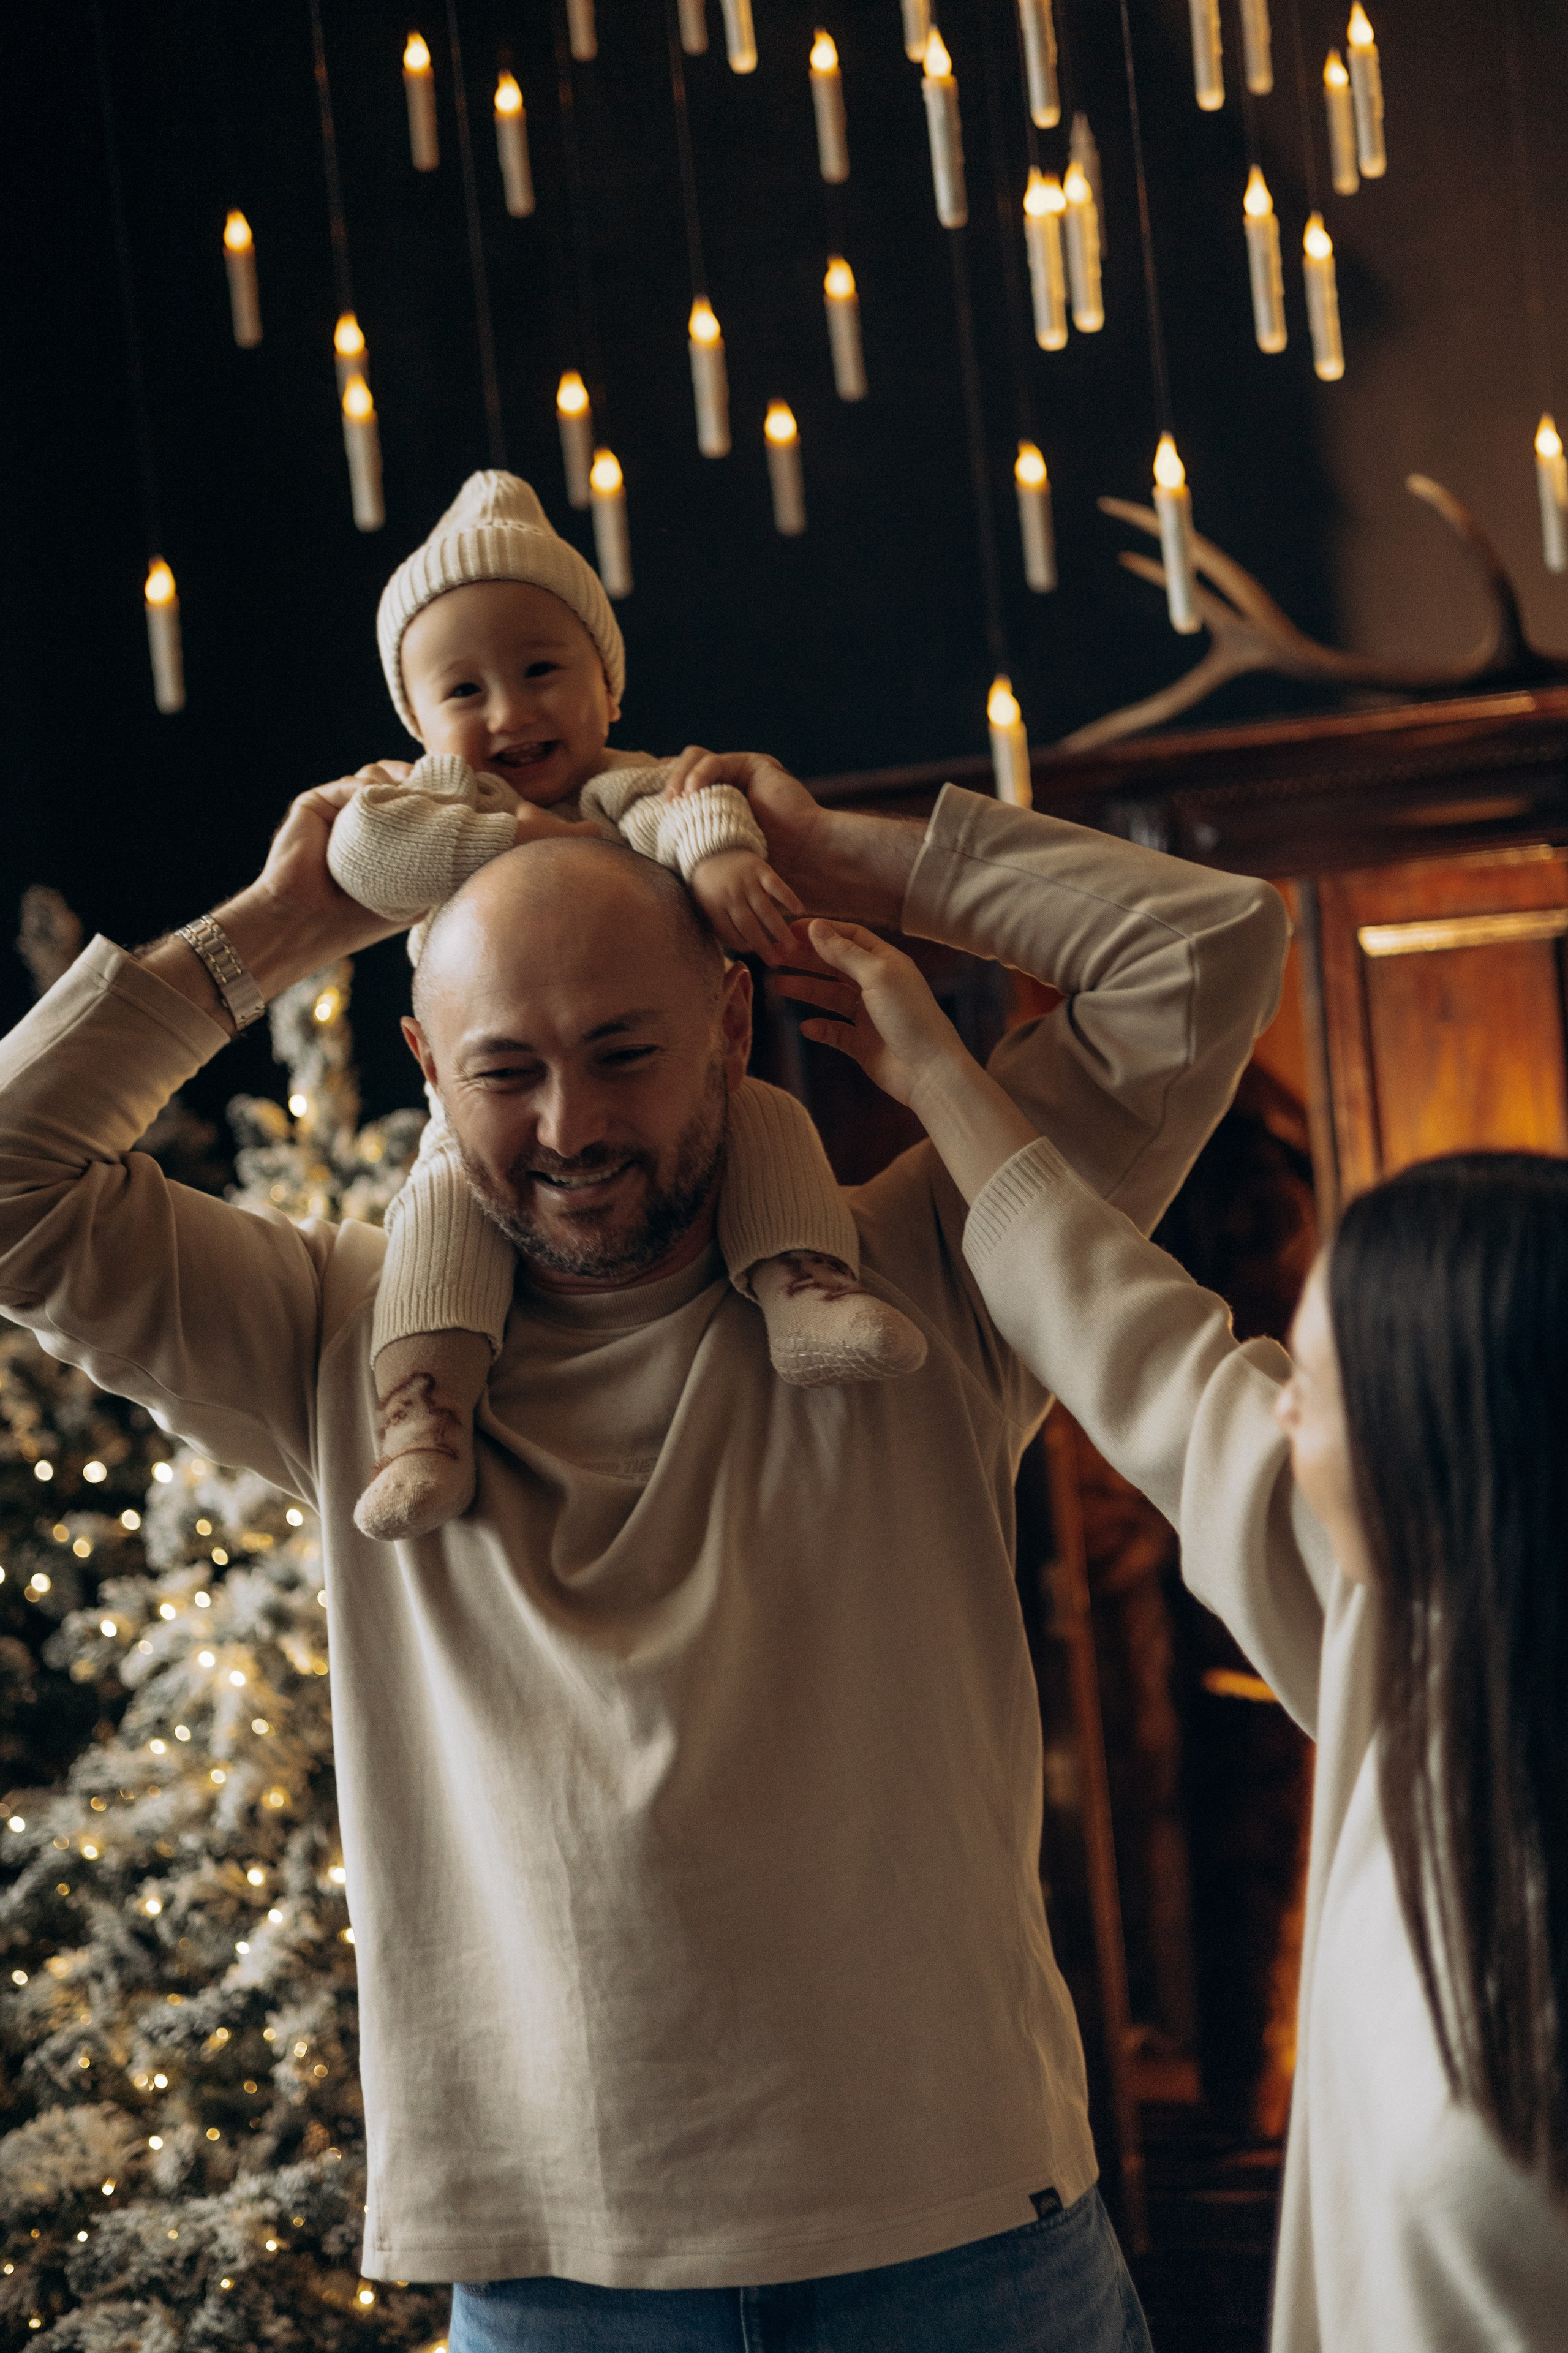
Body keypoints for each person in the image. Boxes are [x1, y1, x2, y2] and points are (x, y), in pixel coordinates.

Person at [0, 742, 1289, 2351]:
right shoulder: (342, 1343)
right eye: (504, 1070)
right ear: (424, 1064)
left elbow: (1202, 950)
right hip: (560, 2278)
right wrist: (288, 917)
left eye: (624, 1051)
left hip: (966, 2236)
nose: (572, 1124)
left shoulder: (929, 1263)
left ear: (731, 1026)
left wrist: (824, 864)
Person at [797, 922, 1568, 2351]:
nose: (1273, 1403)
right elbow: (1147, 1351)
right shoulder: (1404, 1643)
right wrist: (935, 1069)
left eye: (1312, 1383)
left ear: (1440, 1440)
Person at [328, 469, 924, 1545]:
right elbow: (367, 856)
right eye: (462, 692)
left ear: (608, 689)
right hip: (472, 1133)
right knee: (436, 1208)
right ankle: (424, 1411)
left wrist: (726, 857)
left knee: (772, 1122)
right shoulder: (433, 803)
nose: (509, 712)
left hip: (701, 1092)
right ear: (415, 720)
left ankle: (804, 1284)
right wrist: (529, 837)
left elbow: (699, 816)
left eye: (541, 670)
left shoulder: (633, 790)